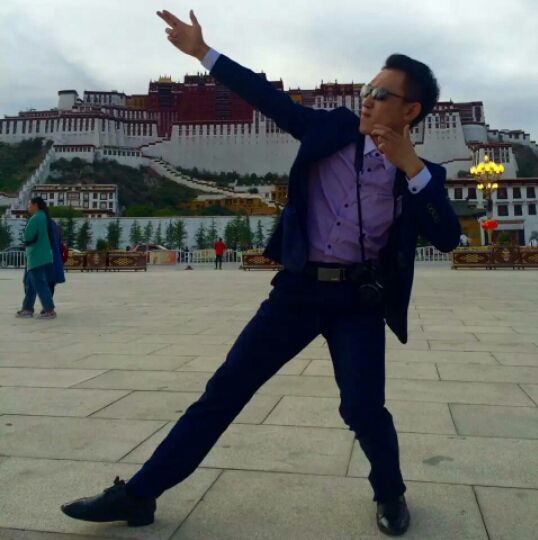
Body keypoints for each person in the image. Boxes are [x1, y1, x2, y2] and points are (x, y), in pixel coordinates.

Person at [61, 8, 461, 536]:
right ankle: (138, 496)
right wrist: (203, 53)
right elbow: (265, 97)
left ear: (410, 110)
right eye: (367, 88)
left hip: (358, 301)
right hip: (297, 291)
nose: (366, 98)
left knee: (363, 409)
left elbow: (447, 237)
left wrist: (410, 165)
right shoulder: (329, 129)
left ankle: (390, 494)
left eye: (381, 94)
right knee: (225, 391)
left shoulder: (423, 175)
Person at [16, 197, 57, 319]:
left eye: (29, 204)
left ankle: (49, 310)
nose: (28, 207)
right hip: (43, 255)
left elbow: (28, 236)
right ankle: (27, 308)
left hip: (36, 256)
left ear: (35, 205)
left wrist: (25, 241)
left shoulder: (35, 218)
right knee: (31, 284)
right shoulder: (44, 217)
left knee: (39, 284)